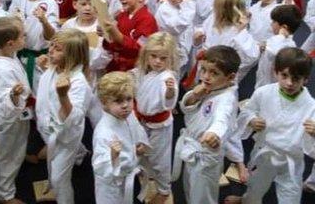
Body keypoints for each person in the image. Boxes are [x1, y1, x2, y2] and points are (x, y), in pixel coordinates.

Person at [225, 48, 315, 204]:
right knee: (255, 187)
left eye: (296, 78)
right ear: (275, 72)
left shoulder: (311, 105)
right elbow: (247, 112)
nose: (289, 83)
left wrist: (314, 133)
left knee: (291, 196)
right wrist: (252, 120)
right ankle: (246, 200)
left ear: (306, 79)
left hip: (292, 159)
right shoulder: (263, 92)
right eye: (284, 75)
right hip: (265, 152)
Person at [172, 46, 240, 204]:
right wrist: (194, 95)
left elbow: (222, 119)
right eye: (204, 70)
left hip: (206, 155)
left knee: (203, 197)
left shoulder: (227, 99)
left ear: (230, 77)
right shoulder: (212, 88)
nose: (206, 77)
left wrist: (214, 133)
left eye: (214, 73)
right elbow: (185, 107)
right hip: (192, 148)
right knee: (189, 189)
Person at [35, 29, 92, 204]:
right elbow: (49, 86)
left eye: (58, 49)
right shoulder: (56, 67)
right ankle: (80, 153)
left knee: (60, 179)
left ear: (72, 56)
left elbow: (74, 117)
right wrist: (46, 66)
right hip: (48, 128)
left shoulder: (78, 83)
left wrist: (63, 96)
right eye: (51, 45)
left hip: (65, 136)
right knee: (55, 164)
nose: (50, 50)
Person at [0, 17, 31, 204]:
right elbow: (5, 101)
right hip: (10, 118)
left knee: (11, 147)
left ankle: (17, 152)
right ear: (11, 43)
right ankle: (5, 194)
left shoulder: (6, 55)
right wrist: (14, 95)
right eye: (23, 36)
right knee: (8, 155)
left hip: (1, 114)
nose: (25, 37)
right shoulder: (4, 69)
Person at [131, 32, 178, 203]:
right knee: (142, 153)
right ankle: (147, 175)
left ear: (170, 59)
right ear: (146, 55)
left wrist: (171, 91)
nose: (158, 61)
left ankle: (164, 190)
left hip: (160, 125)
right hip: (142, 121)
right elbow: (135, 81)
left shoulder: (167, 77)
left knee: (160, 158)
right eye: (154, 56)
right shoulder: (142, 71)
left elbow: (170, 102)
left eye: (163, 58)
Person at [93, 71, 149, 204]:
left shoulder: (128, 115)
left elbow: (137, 131)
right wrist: (113, 157)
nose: (125, 105)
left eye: (129, 99)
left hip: (131, 177)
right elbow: (100, 167)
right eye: (118, 101)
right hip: (113, 188)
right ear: (104, 103)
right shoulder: (103, 132)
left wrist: (139, 145)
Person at [8, 0, 59, 92]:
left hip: (39, 59)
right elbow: (10, 21)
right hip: (19, 55)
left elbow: (51, 37)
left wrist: (44, 21)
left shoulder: (50, 3)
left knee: (39, 97)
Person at [193, 0, 259, 83]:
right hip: (204, 70)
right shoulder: (213, 18)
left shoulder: (238, 30)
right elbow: (203, 31)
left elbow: (251, 57)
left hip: (222, 78)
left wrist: (242, 32)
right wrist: (198, 38)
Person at [103, 0, 158, 72]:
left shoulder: (147, 20)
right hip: (116, 67)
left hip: (135, 71)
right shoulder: (121, 15)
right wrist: (106, 34)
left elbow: (140, 49)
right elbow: (113, 46)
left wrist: (118, 35)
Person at [155, 0, 196, 74]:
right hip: (168, 51)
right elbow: (178, 26)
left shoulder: (182, 5)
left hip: (181, 50)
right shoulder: (164, 9)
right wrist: (189, 5)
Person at [255, 4, 302, 88]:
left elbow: (272, 52)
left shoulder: (287, 46)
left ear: (283, 27)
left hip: (270, 84)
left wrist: (280, 37)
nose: (271, 24)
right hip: (264, 78)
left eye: (273, 22)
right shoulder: (278, 40)